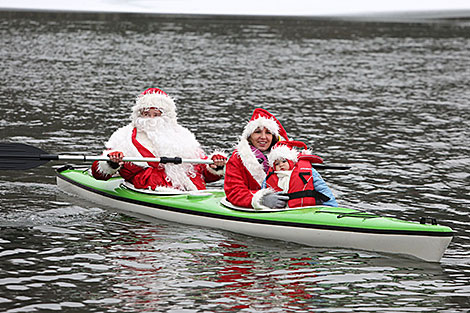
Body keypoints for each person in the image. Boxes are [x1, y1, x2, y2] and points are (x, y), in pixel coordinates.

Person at [91, 87, 227, 191]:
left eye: (156, 114)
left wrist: (215, 165)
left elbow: (207, 176)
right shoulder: (124, 136)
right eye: (146, 114)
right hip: (150, 191)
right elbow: (100, 174)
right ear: (138, 114)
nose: (151, 119)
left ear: (167, 116)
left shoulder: (183, 135)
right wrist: (112, 163)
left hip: (193, 191)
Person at [224, 108, 292, 210]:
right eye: (258, 132)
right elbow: (234, 192)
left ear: (274, 137)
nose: (263, 137)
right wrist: (261, 199)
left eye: (268, 132)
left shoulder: (288, 157)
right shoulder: (237, 159)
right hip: (253, 210)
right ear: (249, 136)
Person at [263, 141, 338, 208]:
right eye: (277, 164)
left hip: (305, 209)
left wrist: (331, 206)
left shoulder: (309, 172)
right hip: (279, 211)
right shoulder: (269, 177)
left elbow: (323, 190)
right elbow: (261, 192)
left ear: (291, 161)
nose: (281, 165)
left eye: (284, 161)